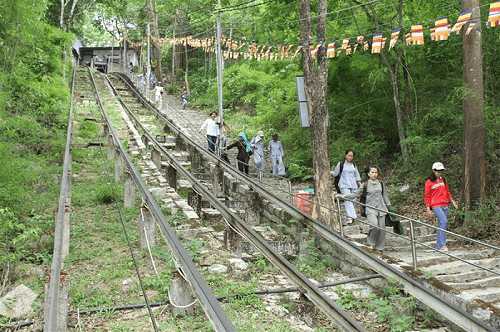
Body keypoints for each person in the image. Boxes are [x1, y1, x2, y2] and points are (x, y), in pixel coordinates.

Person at [343, 166, 391, 252]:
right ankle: (370, 243)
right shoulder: (365, 184)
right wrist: (343, 196)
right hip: (370, 208)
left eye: (376, 172)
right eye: (372, 172)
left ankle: (379, 248)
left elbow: (385, 196)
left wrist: (389, 206)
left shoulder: (381, 183)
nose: (374, 174)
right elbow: (355, 194)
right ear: (368, 174)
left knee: (382, 229)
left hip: (381, 208)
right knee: (374, 225)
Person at [424, 162, 458, 252]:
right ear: (433, 170)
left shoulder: (443, 179)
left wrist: (452, 201)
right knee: (444, 221)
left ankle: (438, 246)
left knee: (442, 224)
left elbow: (448, 192)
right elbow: (427, 196)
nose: (439, 172)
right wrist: (428, 208)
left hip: (445, 204)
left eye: (441, 171)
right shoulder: (429, 182)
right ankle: (442, 245)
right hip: (436, 205)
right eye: (438, 171)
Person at [331, 149, 361, 224]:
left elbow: (357, 175)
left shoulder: (353, 164)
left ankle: (349, 218)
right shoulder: (341, 164)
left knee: (352, 201)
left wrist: (360, 184)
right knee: (348, 200)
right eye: (349, 155)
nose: (350, 157)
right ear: (345, 155)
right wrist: (328, 171)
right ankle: (353, 217)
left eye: (352, 156)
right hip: (344, 185)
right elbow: (335, 173)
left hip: (353, 185)